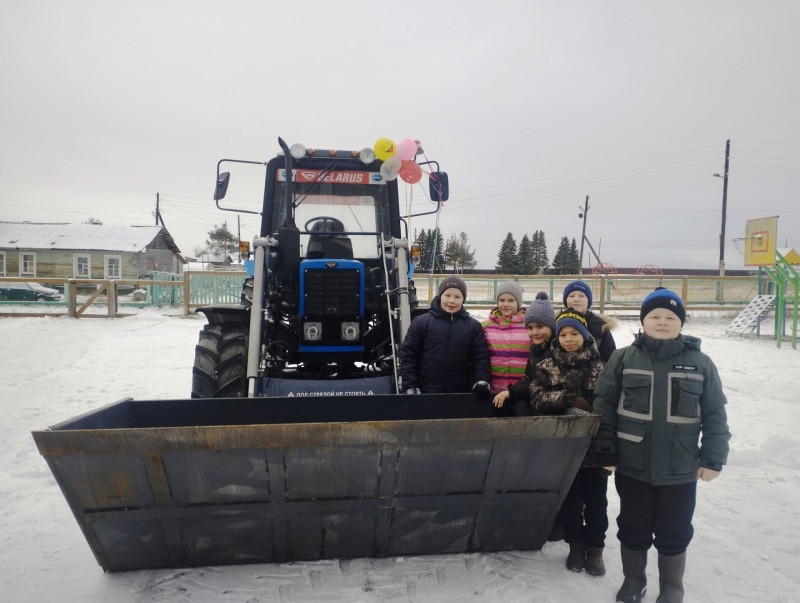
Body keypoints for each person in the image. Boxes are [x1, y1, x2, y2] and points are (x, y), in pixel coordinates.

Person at [592, 288, 731, 603]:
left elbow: (715, 414)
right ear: (643, 321)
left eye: (671, 317)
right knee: (633, 525)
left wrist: (712, 458)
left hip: (679, 469)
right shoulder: (623, 358)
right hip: (632, 464)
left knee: (675, 530)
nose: (662, 322)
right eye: (655, 316)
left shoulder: (701, 363)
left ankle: (672, 587)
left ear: (681, 322)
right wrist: (606, 449)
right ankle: (633, 581)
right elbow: (604, 405)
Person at [529, 310, 608, 576]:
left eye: (574, 333)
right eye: (563, 334)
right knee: (571, 502)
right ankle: (576, 546)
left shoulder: (600, 367)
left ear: (584, 335)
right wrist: (566, 399)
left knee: (597, 503)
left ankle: (595, 548)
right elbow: (536, 397)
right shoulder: (546, 366)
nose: (569, 339)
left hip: (594, 448)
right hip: (564, 449)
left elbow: (610, 401)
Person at [400, 276, 490, 398]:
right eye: (447, 295)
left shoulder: (473, 327)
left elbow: (480, 358)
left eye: (457, 297)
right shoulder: (421, 323)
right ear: (440, 296)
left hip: (460, 394)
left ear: (463, 299)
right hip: (426, 392)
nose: (452, 301)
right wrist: (410, 385)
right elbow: (408, 356)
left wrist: (481, 381)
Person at [492, 291, 556, 417]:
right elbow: (528, 378)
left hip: (553, 406)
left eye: (540, 326)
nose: (535, 332)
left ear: (551, 327)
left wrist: (512, 392)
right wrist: (511, 391)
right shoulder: (536, 349)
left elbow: (541, 383)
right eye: (530, 328)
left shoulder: (555, 350)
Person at [481, 281, 529, 414]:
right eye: (501, 300)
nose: (505, 304)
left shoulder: (529, 326)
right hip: (494, 391)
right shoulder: (486, 327)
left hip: (520, 392)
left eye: (511, 300)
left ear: (518, 303)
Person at [562, 280, 617, 362]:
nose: (576, 299)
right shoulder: (557, 323)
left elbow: (610, 360)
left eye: (581, 296)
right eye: (571, 296)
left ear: (588, 302)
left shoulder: (600, 326)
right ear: (565, 301)